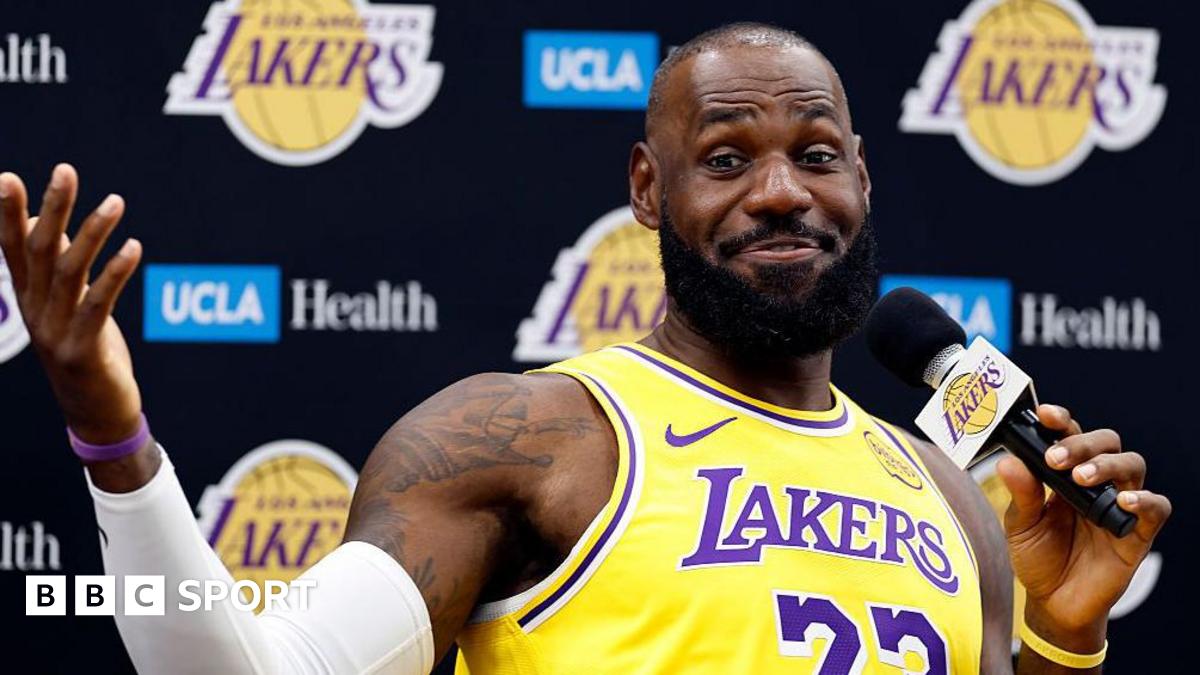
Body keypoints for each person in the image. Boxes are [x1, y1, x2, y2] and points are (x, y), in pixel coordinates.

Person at [0, 22, 1169, 675]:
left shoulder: (952, 504)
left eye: (817, 155)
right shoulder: (531, 443)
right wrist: (115, 439)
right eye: (725, 159)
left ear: (862, 182)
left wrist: (1059, 642)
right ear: (647, 191)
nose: (779, 192)